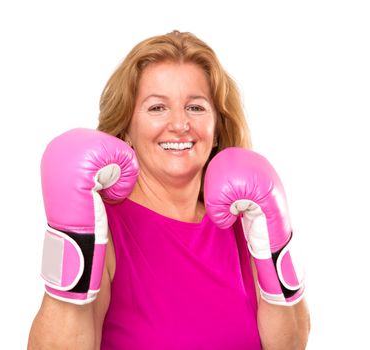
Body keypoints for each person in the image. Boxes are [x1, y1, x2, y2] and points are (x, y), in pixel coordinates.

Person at [28, 30, 310, 349]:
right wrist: (73, 238)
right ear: (126, 128)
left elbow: (289, 345)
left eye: (196, 107)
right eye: (157, 108)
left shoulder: (245, 221)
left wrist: (275, 237)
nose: (179, 124)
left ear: (217, 127)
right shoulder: (103, 229)